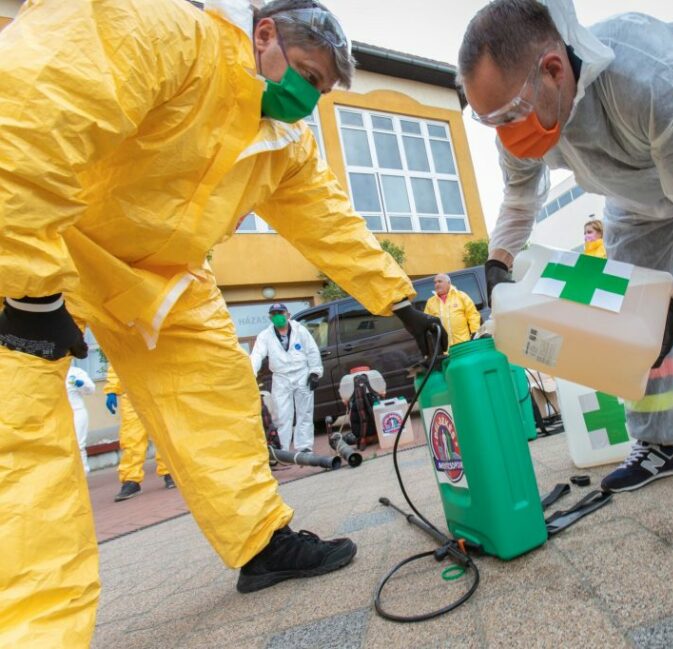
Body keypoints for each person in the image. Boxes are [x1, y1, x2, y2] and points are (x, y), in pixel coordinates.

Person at [0, 1, 443, 645]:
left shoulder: (285, 144)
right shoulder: (165, 29)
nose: (308, 98)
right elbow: (32, 109)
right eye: (309, 77)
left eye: (321, 89)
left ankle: (261, 544)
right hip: (38, 235)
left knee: (218, 392)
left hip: (160, 277)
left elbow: (330, 223)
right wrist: (25, 290)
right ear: (264, 34)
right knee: (22, 430)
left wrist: (402, 302)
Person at [459, 0, 673, 493]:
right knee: (627, 320)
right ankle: (661, 444)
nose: (505, 137)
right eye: (491, 122)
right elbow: (519, 196)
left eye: (509, 116)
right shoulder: (519, 112)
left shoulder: (651, 76)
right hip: (634, 196)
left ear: (553, 70)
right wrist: (499, 261)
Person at [250, 303, 323, 453]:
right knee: (282, 415)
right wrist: (250, 374)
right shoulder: (265, 336)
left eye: (280, 312)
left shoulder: (300, 330)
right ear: (270, 318)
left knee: (305, 413)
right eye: (274, 313)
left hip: (302, 374)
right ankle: (282, 450)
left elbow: (312, 350)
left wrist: (315, 372)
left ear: (288, 315)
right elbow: (257, 355)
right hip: (281, 378)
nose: (277, 316)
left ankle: (304, 448)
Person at [104, 365, 175, 500]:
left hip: (157, 390)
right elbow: (115, 362)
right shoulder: (121, 344)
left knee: (163, 433)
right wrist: (111, 390)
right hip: (131, 394)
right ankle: (131, 481)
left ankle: (170, 472)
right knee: (131, 438)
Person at [424, 274, 482, 349]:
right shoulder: (430, 302)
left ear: (448, 283)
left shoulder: (461, 296)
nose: (437, 284)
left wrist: (475, 333)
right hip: (445, 350)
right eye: (435, 282)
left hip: (464, 344)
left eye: (439, 281)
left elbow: (473, 315)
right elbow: (426, 323)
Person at [66, 364, 95, 474]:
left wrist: (82, 385)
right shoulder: (52, 371)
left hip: (77, 412)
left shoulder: (76, 372)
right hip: (61, 414)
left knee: (78, 444)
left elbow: (91, 389)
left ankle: (83, 473)